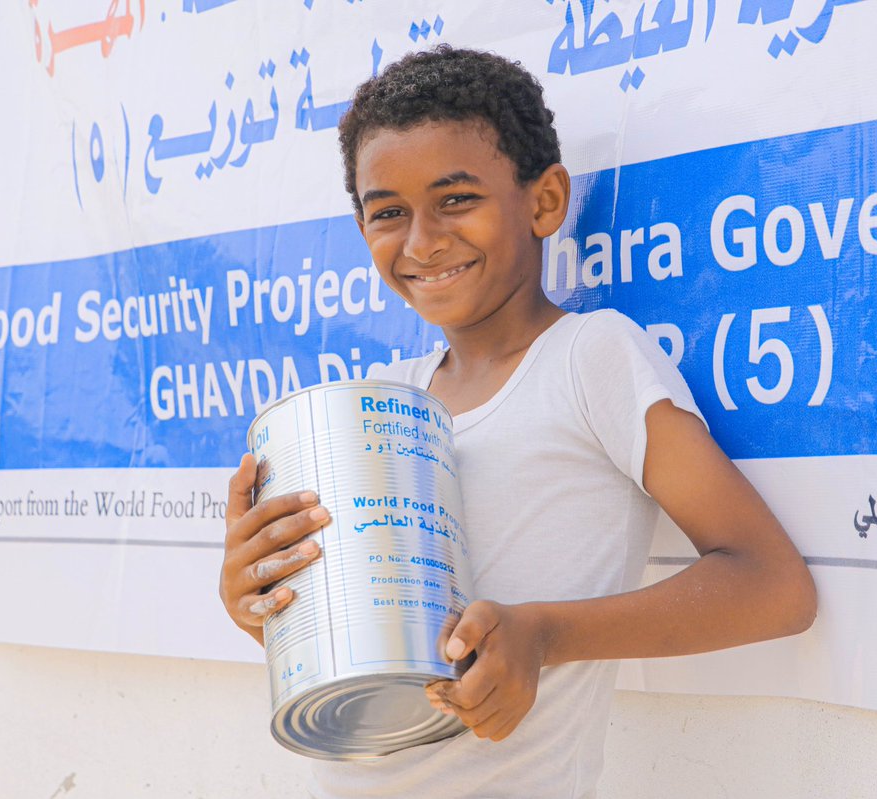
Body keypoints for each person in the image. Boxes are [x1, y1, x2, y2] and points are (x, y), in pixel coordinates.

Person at [220, 45, 817, 799]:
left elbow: (774, 586)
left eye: (457, 199)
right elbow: (358, 642)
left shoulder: (587, 357)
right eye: (388, 214)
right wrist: (260, 599)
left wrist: (544, 636)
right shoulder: (385, 404)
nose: (422, 241)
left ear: (544, 201)